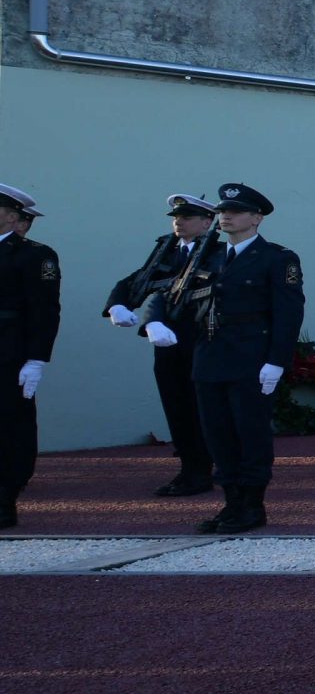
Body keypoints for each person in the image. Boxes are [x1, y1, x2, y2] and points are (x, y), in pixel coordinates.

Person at [142, 183, 304, 533]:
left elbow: (288, 313)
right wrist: (152, 321)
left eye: (235, 211)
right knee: (217, 434)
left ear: (256, 218)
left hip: (252, 358)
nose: (225, 216)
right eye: (222, 211)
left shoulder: (277, 258)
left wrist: (277, 361)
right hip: (208, 357)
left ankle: (252, 505)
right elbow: (167, 292)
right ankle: (231, 503)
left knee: (250, 433)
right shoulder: (208, 256)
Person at [104, 193, 216, 497]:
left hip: (203, 338)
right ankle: (191, 467)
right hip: (167, 341)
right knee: (176, 404)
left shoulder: (218, 253)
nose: (179, 222)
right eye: (176, 218)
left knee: (203, 406)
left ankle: (207, 467)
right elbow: (137, 280)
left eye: (187, 217)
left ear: (207, 222)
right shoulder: (166, 252)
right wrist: (117, 304)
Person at [0, 183, 62, 531]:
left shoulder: (34, 255)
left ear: (13, 217)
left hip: (9, 351)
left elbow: (45, 310)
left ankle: (5, 498)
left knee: (11, 426)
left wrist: (37, 358)